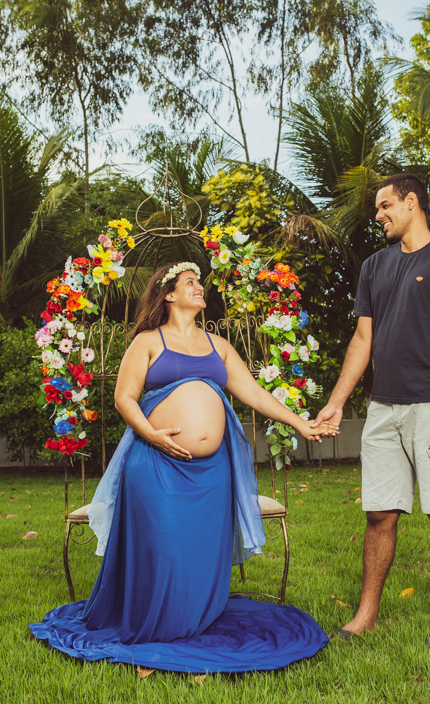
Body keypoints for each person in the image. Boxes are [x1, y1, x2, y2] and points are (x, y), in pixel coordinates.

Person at [30, 262, 336, 672]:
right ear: (169, 294)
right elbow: (125, 398)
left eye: (199, 283)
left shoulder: (219, 344)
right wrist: (151, 434)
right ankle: (157, 629)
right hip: (155, 462)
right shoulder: (147, 342)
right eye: (190, 282)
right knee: (166, 547)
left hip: (212, 475)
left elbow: (254, 394)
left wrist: (302, 423)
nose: (199, 288)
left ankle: (192, 622)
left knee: (197, 554)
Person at [313, 174, 430, 644]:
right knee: (379, 514)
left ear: (413, 202)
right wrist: (336, 402)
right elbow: (363, 339)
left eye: (385, 205)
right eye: (376, 208)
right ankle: (366, 614)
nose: (378, 214)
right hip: (383, 409)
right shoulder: (373, 267)